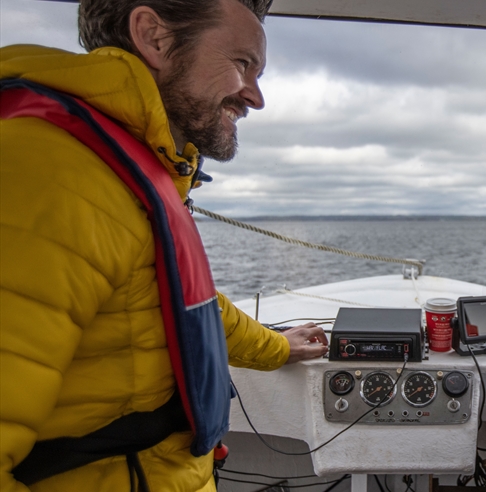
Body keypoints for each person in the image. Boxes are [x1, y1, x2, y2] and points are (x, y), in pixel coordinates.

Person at [0, 1, 329, 490]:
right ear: (154, 36)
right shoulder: (48, 173)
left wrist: (276, 346)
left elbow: (183, 305)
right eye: (242, 64)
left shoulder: (123, 165)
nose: (255, 98)